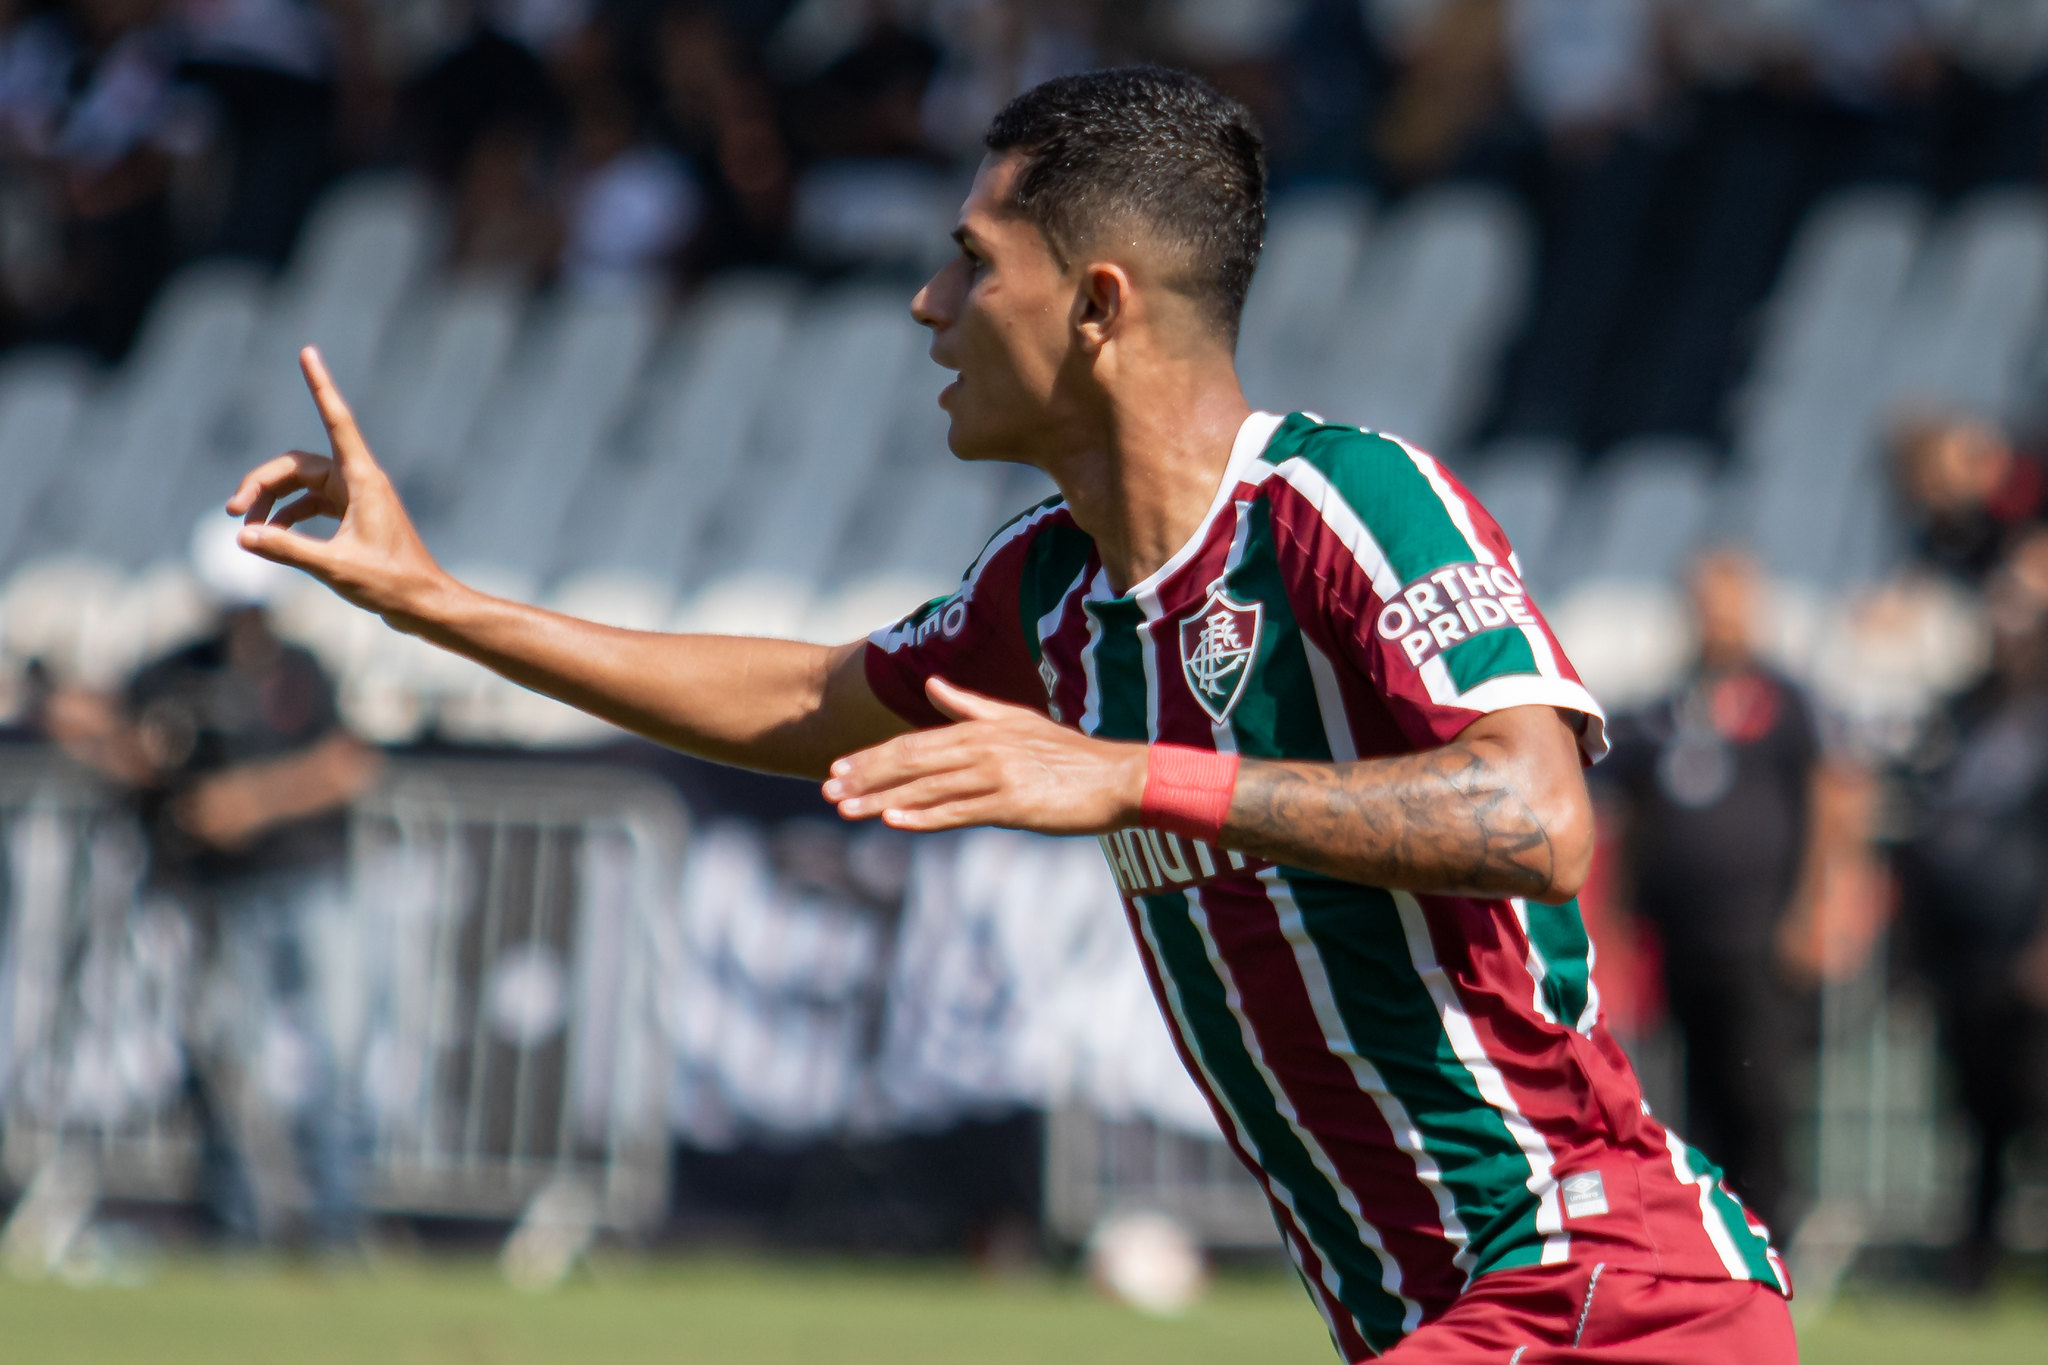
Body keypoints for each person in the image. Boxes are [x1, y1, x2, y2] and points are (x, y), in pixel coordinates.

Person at [225, 66, 1793, 1361]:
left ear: (1099, 302)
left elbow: (1533, 815)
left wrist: (1131, 777)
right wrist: (438, 602)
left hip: (1602, 1290)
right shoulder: (1045, 592)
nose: (929, 304)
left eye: (974, 261)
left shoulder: (1341, 504)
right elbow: (803, 697)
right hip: (1444, 1316)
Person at [46, 519, 380, 1247]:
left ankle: (338, 1220)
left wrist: (252, 800)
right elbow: (97, 722)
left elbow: (349, 764)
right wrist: (120, 745)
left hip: (310, 875)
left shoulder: (301, 669)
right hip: (222, 891)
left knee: (339, 1049)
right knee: (231, 1055)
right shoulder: (177, 671)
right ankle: (243, 1220)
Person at [1600, 551, 1829, 1237]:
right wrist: (1620, 913)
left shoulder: (1786, 703)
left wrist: (1813, 908)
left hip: (1760, 933)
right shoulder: (1664, 708)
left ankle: (1775, 1229)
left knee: (1758, 1088)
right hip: (1680, 934)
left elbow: (1830, 802)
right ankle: (1715, 1231)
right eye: (1704, 601)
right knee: (1693, 1090)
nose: (1715, 617)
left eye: (1727, 601)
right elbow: (1627, 810)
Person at [1895, 527, 2048, 1291]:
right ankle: (1976, 1256)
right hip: (1963, 946)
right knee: (1975, 1108)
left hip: (2028, 942)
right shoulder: (1964, 709)